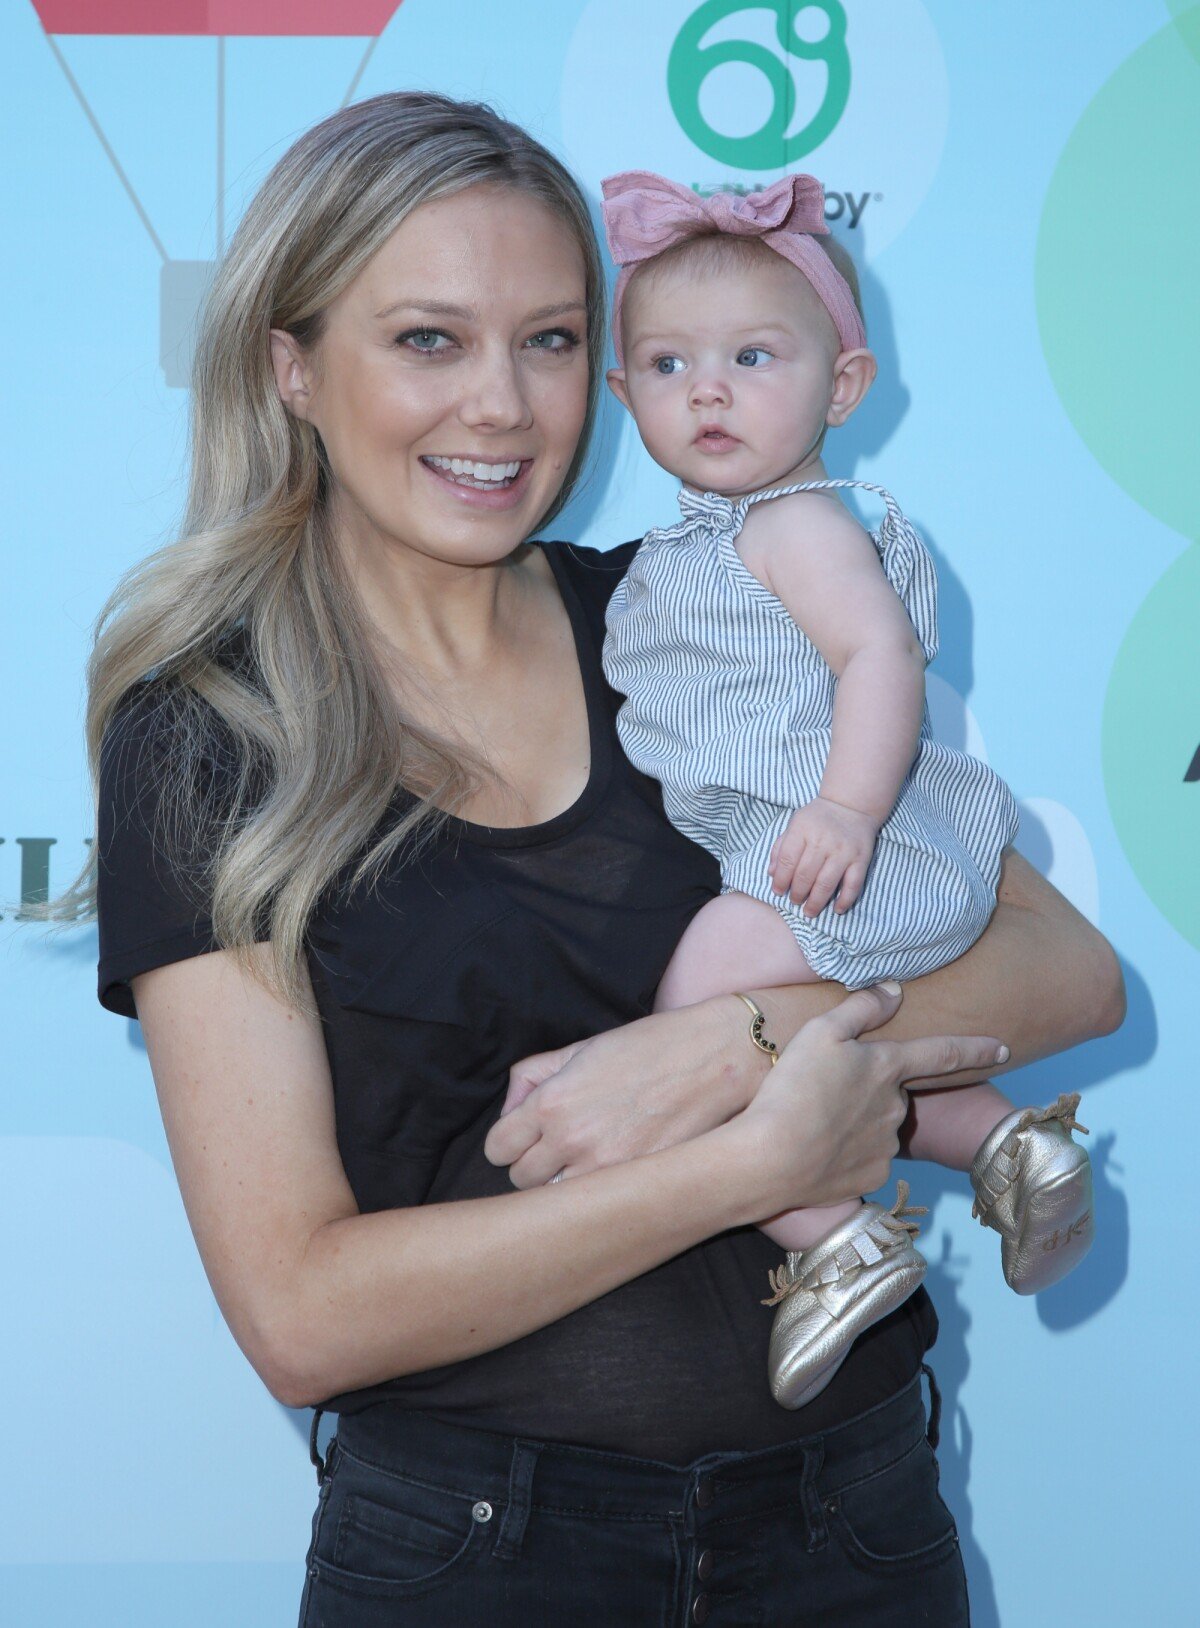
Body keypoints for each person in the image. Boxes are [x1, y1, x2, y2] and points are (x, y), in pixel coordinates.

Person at [61, 92, 1123, 1627]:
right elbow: (299, 1313)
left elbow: (1065, 971)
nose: (502, 406)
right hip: (477, 1560)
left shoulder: (691, 620)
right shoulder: (213, 732)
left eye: (551, 340)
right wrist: (743, 1165)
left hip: (857, 1523)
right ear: (290, 365)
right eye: (430, 339)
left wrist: (722, 1043)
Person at [591, 169, 1096, 1411]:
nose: (706, 389)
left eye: (754, 356)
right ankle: (1000, 1138)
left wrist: (848, 810)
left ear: (845, 384)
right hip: (821, 842)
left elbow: (881, 654)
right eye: (666, 365)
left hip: (842, 841)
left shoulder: (793, 523)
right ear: (621, 396)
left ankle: (832, 1231)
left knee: (698, 1007)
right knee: (810, 1050)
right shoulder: (695, 545)